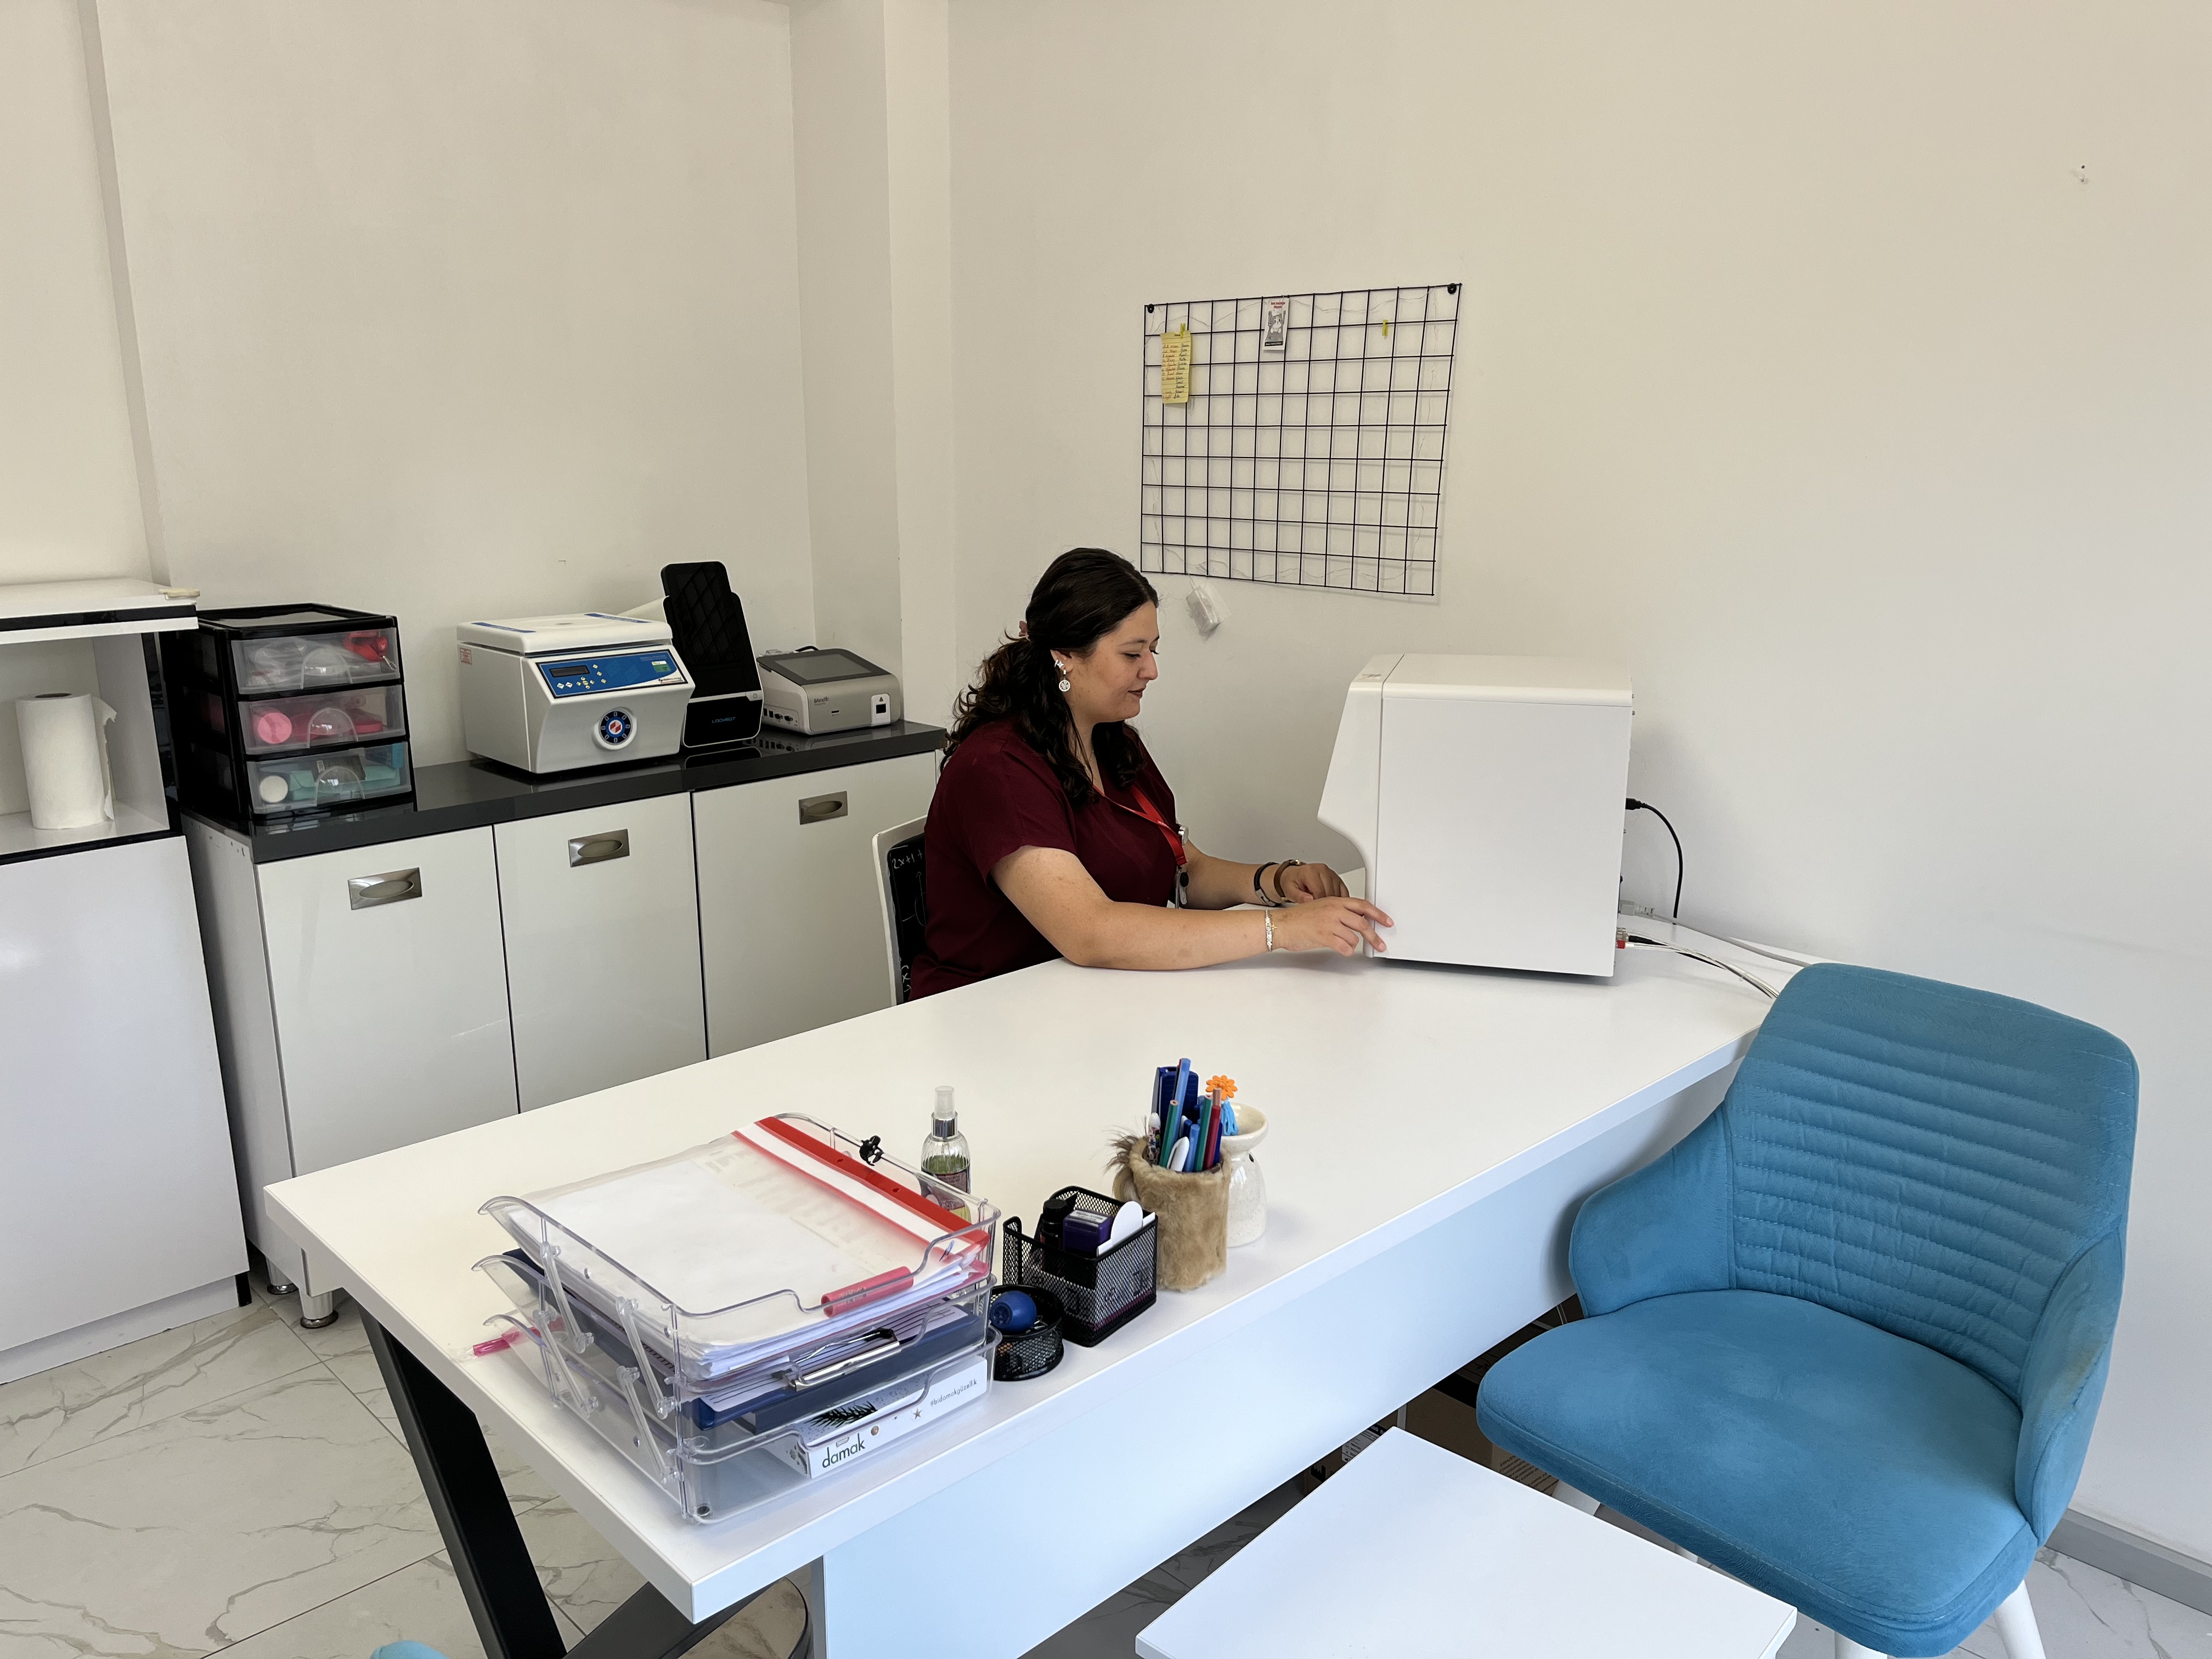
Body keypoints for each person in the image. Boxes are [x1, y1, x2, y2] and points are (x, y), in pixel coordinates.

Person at [907, 548, 1393, 999]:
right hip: (989, 1012)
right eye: (1132, 653)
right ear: (1065, 656)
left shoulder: (1110, 740)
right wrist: (1280, 931)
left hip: (1090, 1000)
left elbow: (1183, 868)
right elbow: (1090, 932)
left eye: (1153, 650)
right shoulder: (997, 770)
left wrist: (1277, 881)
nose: (1151, 670)